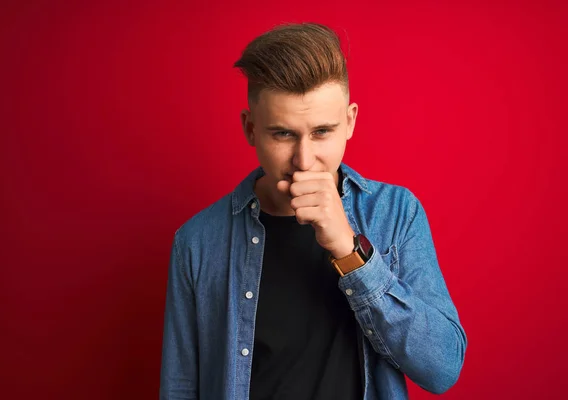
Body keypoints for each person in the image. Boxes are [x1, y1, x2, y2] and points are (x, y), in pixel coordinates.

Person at [160, 22, 467, 400]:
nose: (304, 160)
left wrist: (350, 253)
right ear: (250, 129)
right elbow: (180, 387)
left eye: (322, 132)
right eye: (283, 134)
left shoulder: (397, 214)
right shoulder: (197, 241)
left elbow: (444, 368)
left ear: (350, 122)